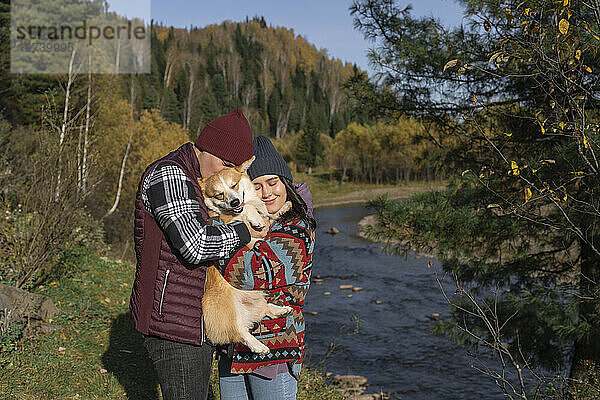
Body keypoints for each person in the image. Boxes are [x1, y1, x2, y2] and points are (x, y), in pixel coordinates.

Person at [129, 109, 266, 400]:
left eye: (232, 169)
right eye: (224, 163)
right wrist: (245, 232)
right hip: (173, 321)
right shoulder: (171, 173)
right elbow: (196, 246)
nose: (224, 174)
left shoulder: (197, 176)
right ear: (205, 147)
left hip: (193, 316)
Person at [215, 135, 317, 400]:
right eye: (257, 186)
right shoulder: (249, 218)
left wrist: (215, 248)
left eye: (273, 182)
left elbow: (253, 274)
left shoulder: (297, 228)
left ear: (286, 183)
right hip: (234, 345)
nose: (268, 192)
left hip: (274, 349)